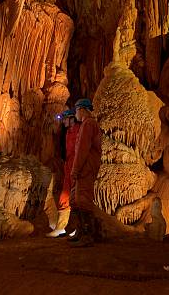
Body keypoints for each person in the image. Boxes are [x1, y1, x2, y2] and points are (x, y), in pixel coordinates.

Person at [69, 98, 102, 247]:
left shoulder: (88, 124)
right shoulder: (87, 124)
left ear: (82, 109)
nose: (75, 113)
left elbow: (82, 149)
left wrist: (75, 169)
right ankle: (80, 230)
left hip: (85, 168)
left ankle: (88, 234)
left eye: (76, 110)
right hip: (85, 167)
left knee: (83, 199)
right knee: (75, 199)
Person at [47, 109, 81, 238]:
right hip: (69, 165)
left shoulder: (79, 130)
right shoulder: (68, 132)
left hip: (76, 165)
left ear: (72, 118)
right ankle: (61, 227)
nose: (63, 122)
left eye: (65, 119)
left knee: (76, 198)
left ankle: (77, 227)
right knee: (65, 197)